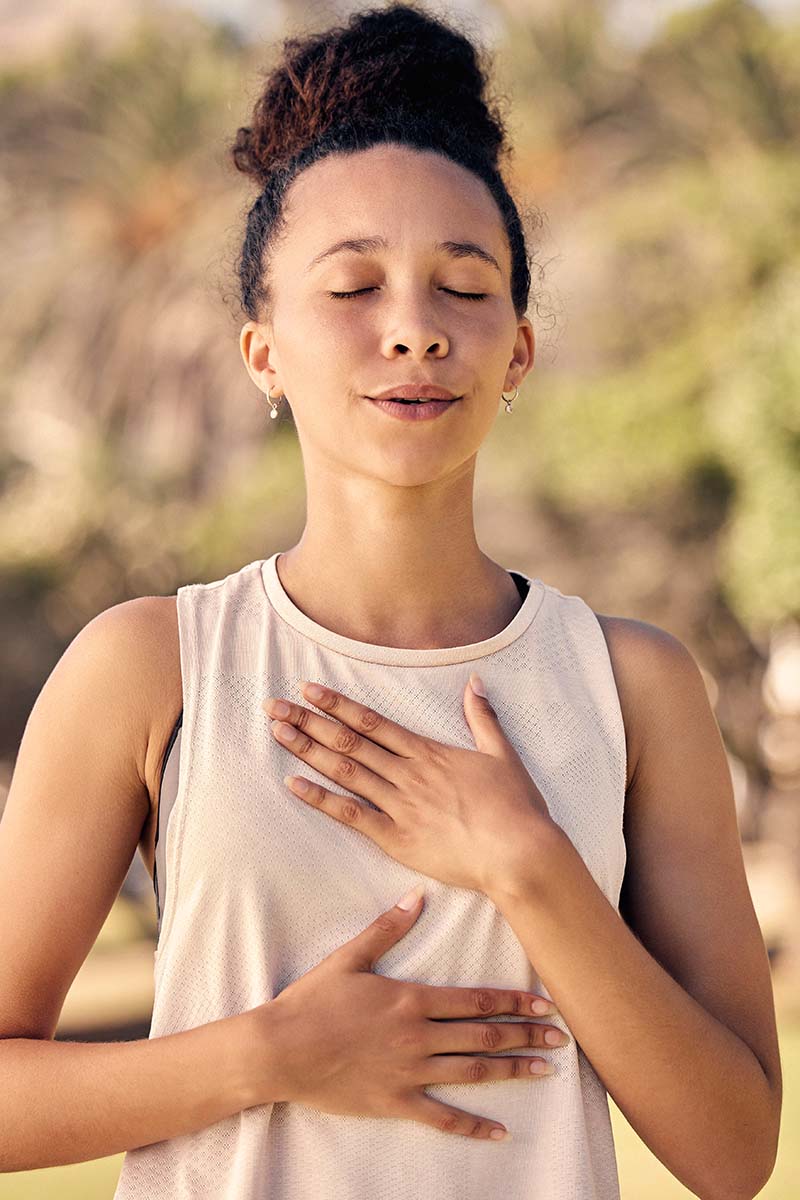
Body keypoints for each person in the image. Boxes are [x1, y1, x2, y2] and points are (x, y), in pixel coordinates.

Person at [0, 3, 781, 1198]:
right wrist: (265, 1056)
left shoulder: (631, 684)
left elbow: (733, 1155)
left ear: (516, 352)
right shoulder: (153, 666)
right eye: (353, 286)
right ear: (262, 349)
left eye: (464, 289)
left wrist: (528, 864)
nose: (414, 332)